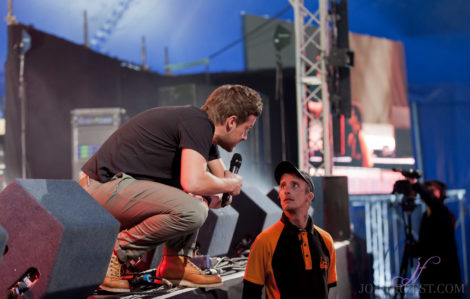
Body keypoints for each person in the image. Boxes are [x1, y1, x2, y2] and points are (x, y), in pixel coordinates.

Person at [78, 84, 263, 292]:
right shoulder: (198, 124)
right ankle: (113, 254)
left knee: (198, 200)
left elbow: (219, 180)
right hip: (100, 189)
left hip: (113, 190)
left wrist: (221, 190)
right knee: (194, 208)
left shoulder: (203, 129)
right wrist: (228, 184)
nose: (245, 136)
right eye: (246, 128)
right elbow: (195, 182)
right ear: (231, 122)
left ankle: (176, 263)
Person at [242, 161, 337, 299]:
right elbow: (250, 294)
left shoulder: (326, 240)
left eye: (295, 185)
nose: (287, 190)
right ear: (279, 195)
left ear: (309, 197)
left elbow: (330, 290)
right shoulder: (264, 241)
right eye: (283, 185)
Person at [411, 180, 462, 298]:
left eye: (433, 191)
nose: (430, 194)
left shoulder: (444, 213)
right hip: (428, 279)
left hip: (445, 278)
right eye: (428, 191)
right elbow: (427, 245)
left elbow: (437, 247)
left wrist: (416, 185)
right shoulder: (426, 216)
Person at [346, 102, 373, 167]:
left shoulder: (360, 136)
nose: (348, 117)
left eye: (350, 115)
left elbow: (367, 161)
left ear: (356, 117)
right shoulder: (351, 136)